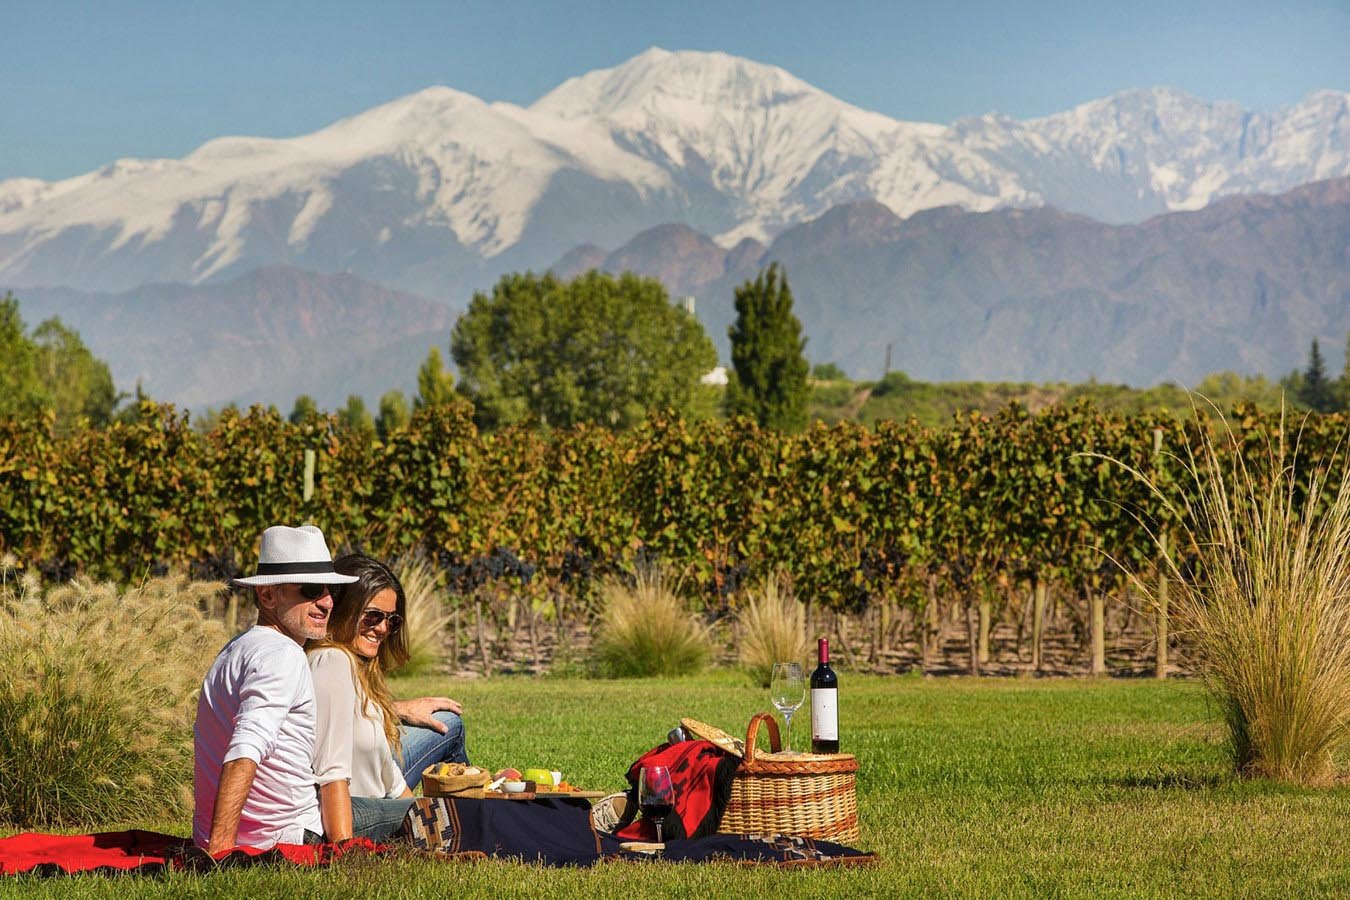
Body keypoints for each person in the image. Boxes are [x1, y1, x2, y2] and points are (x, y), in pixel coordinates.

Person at [193, 524, 357, 851]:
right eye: (311, 589)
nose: (327, 602)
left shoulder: (233, 650)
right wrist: (221, 850)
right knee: (435, 810)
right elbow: (246, 747)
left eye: (331, 590)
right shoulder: (284, 655)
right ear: (267, 595)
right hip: (291, 835)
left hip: (237, 834)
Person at [307, 555, 468, 823]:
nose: (382, 628)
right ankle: (467, 814)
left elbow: (385, 767)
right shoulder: (332, 661)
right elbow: (331, 774)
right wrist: (344, 842)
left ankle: (467, 800)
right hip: (355, 808)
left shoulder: (353, 664)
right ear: (343, 608)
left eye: (391, 620)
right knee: (459, 811)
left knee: (447, 723)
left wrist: (391, 709)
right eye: (372, 616)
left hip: (376, 790)